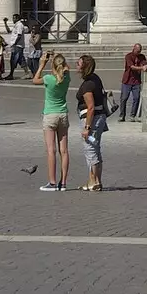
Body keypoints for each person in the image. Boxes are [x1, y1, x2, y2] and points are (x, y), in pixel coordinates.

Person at [34, 52, 71, 191]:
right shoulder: (66, 78)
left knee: (51, 150)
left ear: (53, 66)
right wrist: (58, 58)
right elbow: (67, 68)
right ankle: (64, 183)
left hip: (50, 114)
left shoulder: (48, 78)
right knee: (64, 151)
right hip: (63, 114)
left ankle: (52, 182)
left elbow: (35, 79)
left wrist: (42, 64)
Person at [76, 54, 109, 192]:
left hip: (92, 120)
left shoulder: (88, 84)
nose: (76, 66)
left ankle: (94, 181)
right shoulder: (95, 78)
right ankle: (95, 181)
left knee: (90, 149)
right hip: (100, 118)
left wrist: (87, 127)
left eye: (78, 63)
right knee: (95, 148)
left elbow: (90, 107)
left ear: (84, 66)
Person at [118, 43, 147, 122]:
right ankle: (122, 115)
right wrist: (142, 68)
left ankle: (133, 115)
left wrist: (146, 67)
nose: (138, 53)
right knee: (124, 98)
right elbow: (132, 67)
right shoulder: (128, 56)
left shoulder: (142, 57)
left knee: (136, 98)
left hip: (136, 81)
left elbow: (145, 64)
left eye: (139, 51)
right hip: (127, 80)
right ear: (133, 49)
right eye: (137, 51)